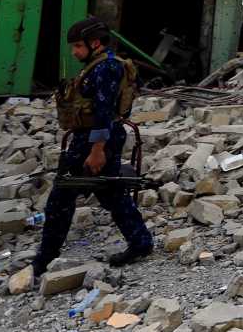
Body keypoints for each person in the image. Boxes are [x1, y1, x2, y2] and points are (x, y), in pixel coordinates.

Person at [31, 17, 153, 277]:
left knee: (60, 199)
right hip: (95, 138)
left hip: (95, 140)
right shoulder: (99, 66)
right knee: (111, 193)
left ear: (94, 43)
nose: (74, 52)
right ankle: (141, 242)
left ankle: (44, 259)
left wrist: (97, 149)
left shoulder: (106, 68)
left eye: (77, 46)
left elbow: (104, 111)